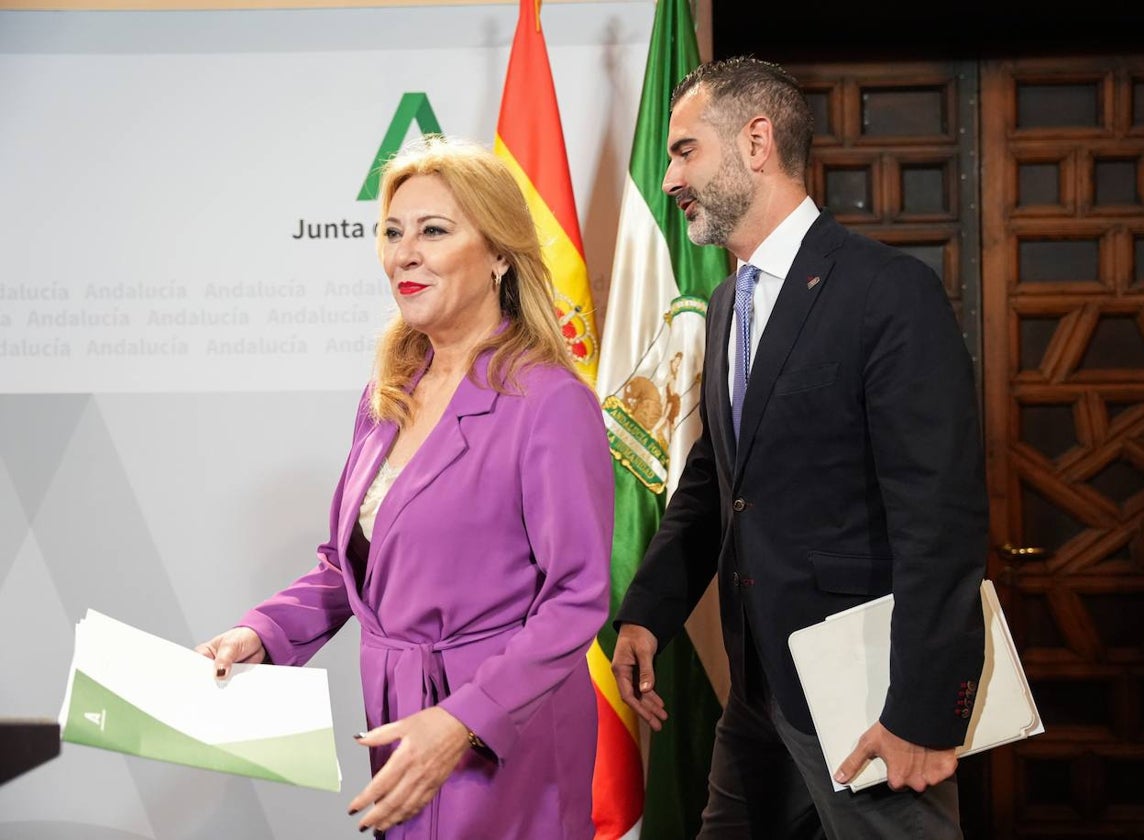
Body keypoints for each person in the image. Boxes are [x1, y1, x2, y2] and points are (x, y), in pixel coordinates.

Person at [610, 57, 989, 839]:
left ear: (756, 142)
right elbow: (719, 479)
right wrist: (648, 611)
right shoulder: (724, 302)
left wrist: (921, 710)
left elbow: (939, 520)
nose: (671, 178)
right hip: (757, 688)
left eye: (685, 151)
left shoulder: (887, 294)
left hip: (867, 697)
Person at [197, 135, 614, 839]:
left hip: (502, 729)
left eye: (433, 231)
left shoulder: (549, 401)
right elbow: (351, 564)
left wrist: (462, 721)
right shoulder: (388, 392)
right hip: (396, 714)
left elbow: (576, 600)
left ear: (500, 255)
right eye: (392, 232)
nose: (404, 253)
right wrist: (260, 634)